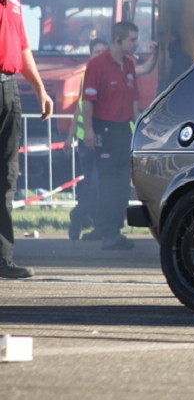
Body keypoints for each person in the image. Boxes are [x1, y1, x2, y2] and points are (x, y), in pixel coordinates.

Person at [0, 0, 54, 278]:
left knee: (6, 177)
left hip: (9, 88)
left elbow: (22, 47)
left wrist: (40, 89)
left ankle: (2, 260)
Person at [81, 20, 141, 251]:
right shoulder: (97, 64)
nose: (136, 44)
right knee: (108, 182)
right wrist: (88, 129)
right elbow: (88, 100)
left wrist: (139, 130)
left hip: (123, 130)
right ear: (118, 40)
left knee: (121, 183)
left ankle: (110, 227)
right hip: (104, 127)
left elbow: (134, 100)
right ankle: (109, 233)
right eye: (132, 40)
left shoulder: (129, 65)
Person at [64, 38, 108, 240]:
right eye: (96, 51)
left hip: (101, 139)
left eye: (102, 51)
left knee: (97, 184)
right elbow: (80, 109)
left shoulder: (106, 75)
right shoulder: (88, 76)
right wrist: (70, 136)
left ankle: (84, 219)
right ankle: (82, 218)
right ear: (90, 54)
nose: (99, 54)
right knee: (94, 184)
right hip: (86, 141)